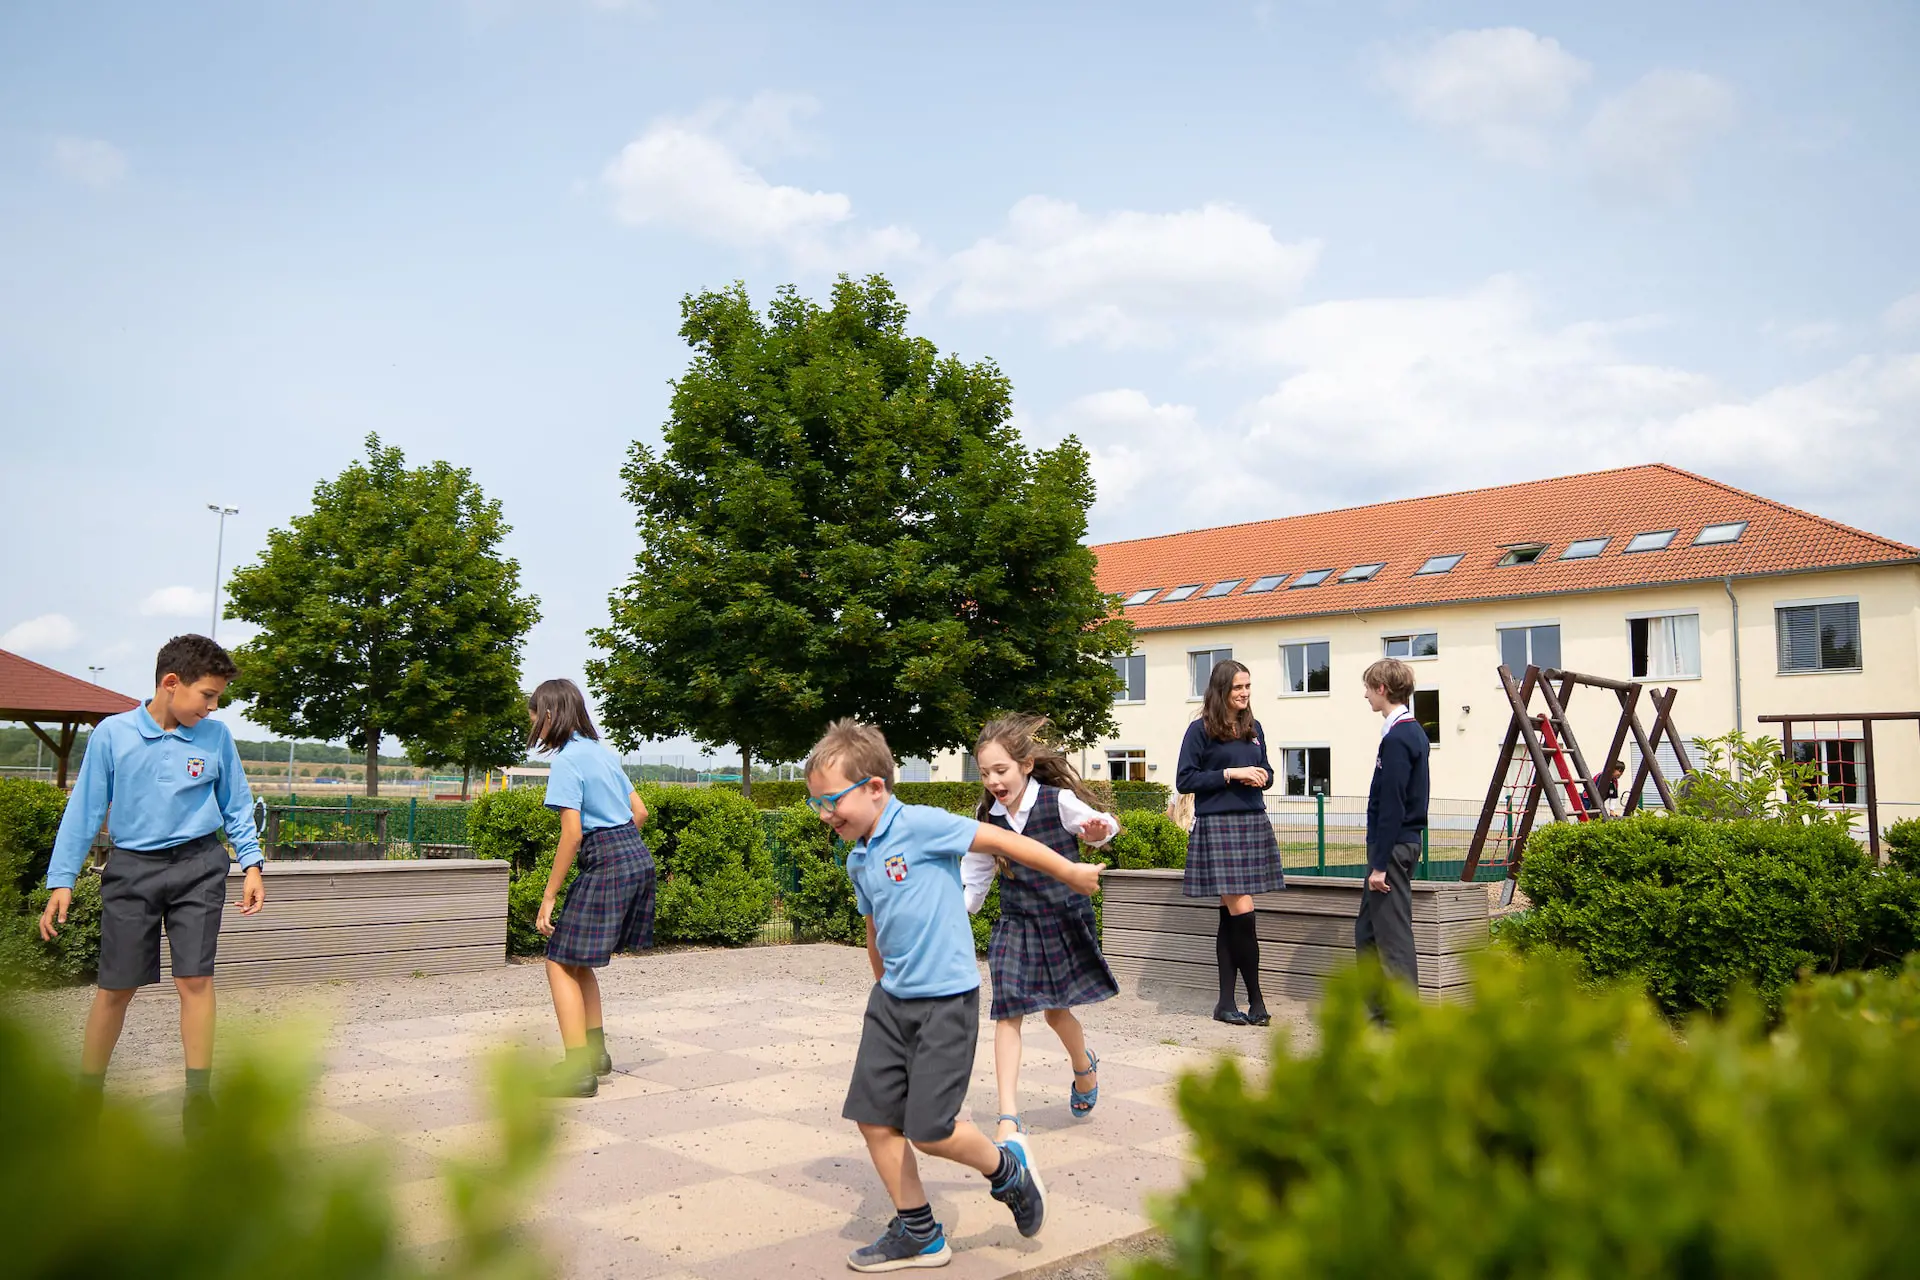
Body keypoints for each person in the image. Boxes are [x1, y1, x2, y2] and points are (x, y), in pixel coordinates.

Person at [806, 719, 1103, 1273]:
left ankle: (1005, 1169)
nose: (825, 815)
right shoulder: (858, 856)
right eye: (816, 805)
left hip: (946, 1000)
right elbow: (875, 929)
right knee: (874, 1119)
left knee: (931, 1130)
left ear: (874, 787)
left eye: (832, 802)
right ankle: (920, 1233)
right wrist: (881, 989)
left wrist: (1069, 870)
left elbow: (1000, 840)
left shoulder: (920, 825)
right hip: (892, 1002)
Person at [38, 634, 266, 1138]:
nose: (211, 708)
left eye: (216, 700)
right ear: (171, 683)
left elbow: (237, 803)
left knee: (196, 980)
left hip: (199, 867)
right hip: (132, 870)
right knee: (115, 988)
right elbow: (85, 811)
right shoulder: (112, 736)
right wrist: (63, 880)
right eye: (207, 696)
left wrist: (251, 863)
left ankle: (198, 1099)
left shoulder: (216, 737)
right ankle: (86, 1095)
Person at [960, 715, 1120, 1147]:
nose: (993, 780)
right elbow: (974, 882)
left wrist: (1099, 832)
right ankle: (1008, 1117)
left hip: (1063, 919)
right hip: (1016, 922)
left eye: (1001, 770)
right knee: (1006, 1014)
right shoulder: (986, 820)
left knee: (1055, 1012)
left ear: (1026, 765)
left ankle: (1083, 1067)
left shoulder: (1057, 801)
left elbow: (1103, 826)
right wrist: (953, 916)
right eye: (985, 773)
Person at [527, 678, 655, 1098]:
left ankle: (577, 1072)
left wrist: (549, 897)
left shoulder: (566, 761)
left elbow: (573, 835)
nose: (533, 728)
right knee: (578, 961)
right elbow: (641, 811)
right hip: (634, 853)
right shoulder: (603, 751)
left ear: (549, 715)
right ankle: (596, 1056)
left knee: (559, 962)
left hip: (607, 857)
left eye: (534, 718)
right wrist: (619, 844)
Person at [1176, 660, 1283, 1026]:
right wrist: (1230, 774)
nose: (1245, 693)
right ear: (1221, 689)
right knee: (1243, 913)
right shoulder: (1200, 730)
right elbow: (1185, 779)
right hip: (1218, 825)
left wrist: (1263, 777)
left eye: (1248, 687)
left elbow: (1267, 771)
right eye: (1238, 687)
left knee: (1231, 917)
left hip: (1253, 821)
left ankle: (1225, 1003)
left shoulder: (1254, 729)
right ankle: (1256, 1000)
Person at [1360, 658, 1429, 988]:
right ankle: (1377, 1018)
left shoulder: (1399, 738)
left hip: (1393, 846)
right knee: (1368, 933)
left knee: (1394, 940)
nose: (1366, 696)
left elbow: (1392, 804)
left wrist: (1379, 865)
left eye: (1368, 689)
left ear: (1382, 689)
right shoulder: (1409, 732)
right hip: (1397, 843)